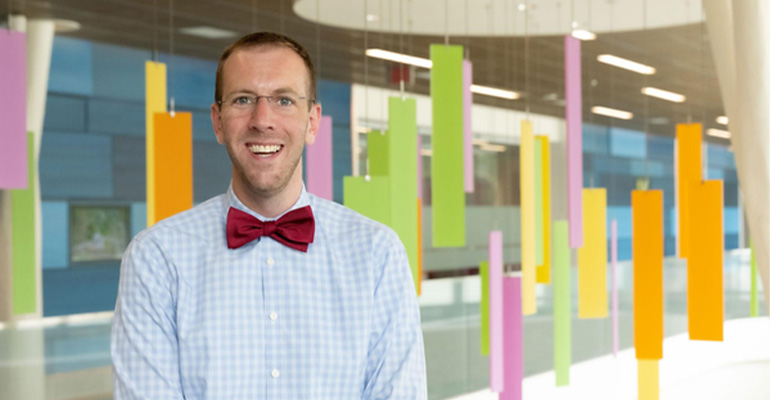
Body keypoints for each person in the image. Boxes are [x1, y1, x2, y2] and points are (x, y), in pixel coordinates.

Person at [111, 32, 427, 399]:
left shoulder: (377, 254)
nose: (263, 120)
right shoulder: (156, 258)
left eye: (284, 100)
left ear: (312, 121)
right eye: (243, 99)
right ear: (217, 121)